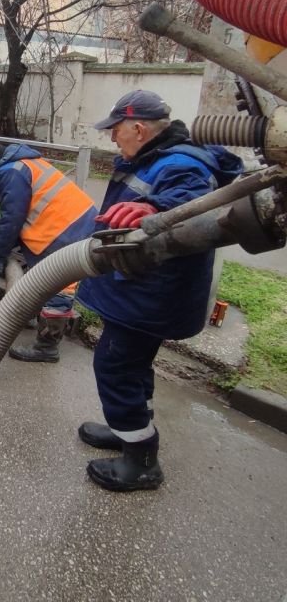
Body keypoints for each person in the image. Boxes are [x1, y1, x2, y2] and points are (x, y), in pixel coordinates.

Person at [76, 89, 241, 492]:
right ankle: (130, 428)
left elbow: (193, 203)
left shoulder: (180, 164)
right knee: (133, 367)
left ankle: (142, 460)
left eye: (115, 130)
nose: (111, 137)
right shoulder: (155, 159)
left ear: (138, 129)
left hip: (149, 295)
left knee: (115, 365)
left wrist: (155, 209)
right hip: (140, 289)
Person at [0, 140, 98, 362]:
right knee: (40, 278)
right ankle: (33, 317)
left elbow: (12, 218)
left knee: (57, 286)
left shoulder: (9, 171)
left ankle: (47, 347)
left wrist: (0, 254)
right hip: (72, 222)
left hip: (65, 230)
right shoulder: (23, 163)